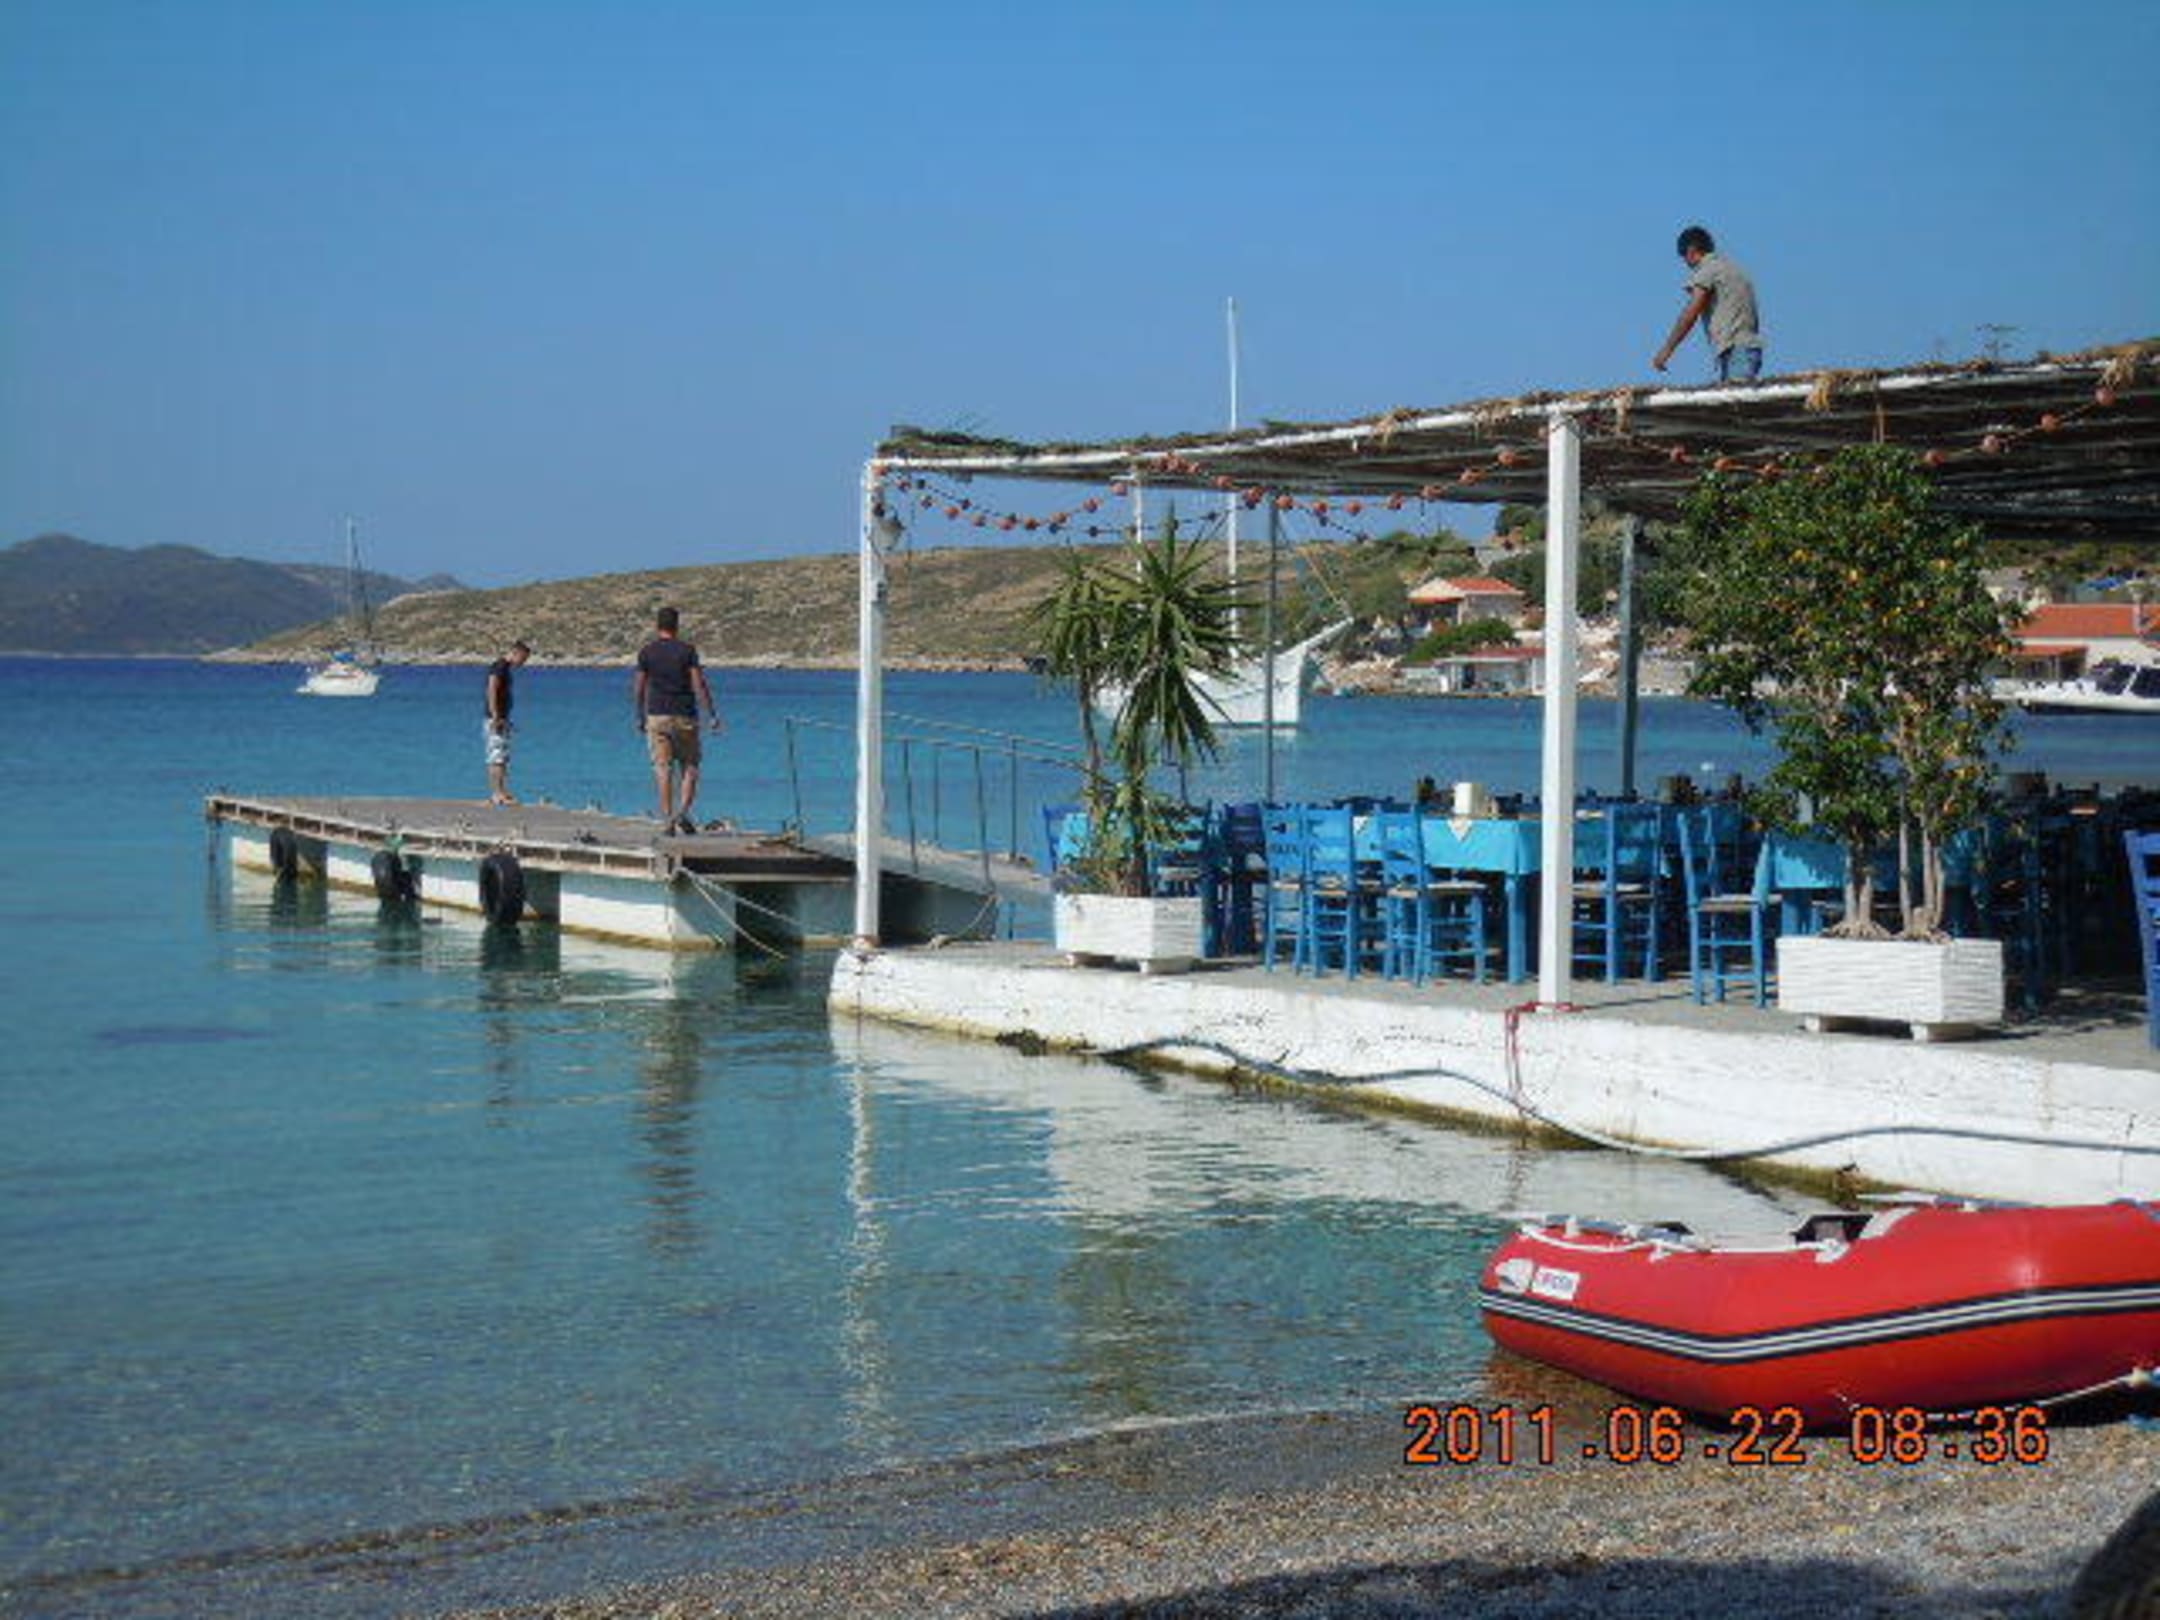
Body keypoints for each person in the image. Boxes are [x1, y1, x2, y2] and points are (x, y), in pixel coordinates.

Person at [633, 606, 722, 833]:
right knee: (690, 766)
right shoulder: (687, 651)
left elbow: (639, 687)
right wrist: (711, 714)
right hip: (685, 716)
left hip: (657, 716)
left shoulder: (647, 652)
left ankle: (667, 819)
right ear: (677, 625)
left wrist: (639, 715)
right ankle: (681, 813)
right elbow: (698, 684)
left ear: (658, 626)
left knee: (663, 768)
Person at [1652, 225, 1764, 383]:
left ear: (1691, 251)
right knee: (1733, 396)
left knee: (1735, 397)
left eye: (1683, 256)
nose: (1686, 263)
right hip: (1746, 349)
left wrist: (1667, 350)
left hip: (1737, 352)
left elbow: (1691, 312)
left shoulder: (1708, 269)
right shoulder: (1734, 269)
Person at [483, 640, 531, 806]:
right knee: (496, 756)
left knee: (503, 756)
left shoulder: (505, 668)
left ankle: (502, 791)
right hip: (496, 718)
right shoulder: (499, 667)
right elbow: (491, 689)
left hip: (502, 718)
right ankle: (497, 793)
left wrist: (504, 719)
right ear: (516, 653)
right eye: (523, 659)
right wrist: (496, 716)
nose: (523, 663)